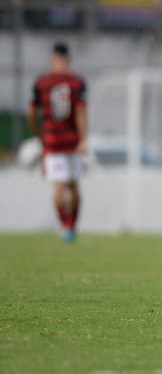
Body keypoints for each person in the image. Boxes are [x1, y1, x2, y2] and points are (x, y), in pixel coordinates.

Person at [27, 42, 88, 243]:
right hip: (72, 142)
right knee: (74, 188)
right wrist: (84, 139)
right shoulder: (76, 82)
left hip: (52, 142)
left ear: (53, 59)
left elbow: (31, 112)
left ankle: (65, 226)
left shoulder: (41, 82)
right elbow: (80, 111)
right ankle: (70, 226)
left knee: (58, 188)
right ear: (68, 59)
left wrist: (38, 134)